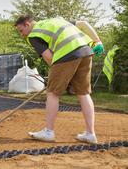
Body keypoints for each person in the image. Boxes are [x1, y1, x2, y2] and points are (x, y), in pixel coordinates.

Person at [14, 15, 104, 144]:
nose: (22, 35)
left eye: (21, 31)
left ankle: (49, 132)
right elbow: (83, 23)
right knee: (83, 93)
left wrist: (59, 76)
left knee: (52, 93)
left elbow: (49, 57)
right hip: (86, 51)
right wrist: (97, 41)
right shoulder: (56, 20)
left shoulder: (33, 35)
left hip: (67, 54)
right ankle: (90, 134)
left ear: (27, 24)